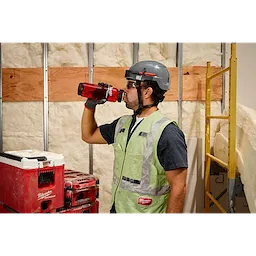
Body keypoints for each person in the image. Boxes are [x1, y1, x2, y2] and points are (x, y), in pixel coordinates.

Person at [81, 60, 188, 216]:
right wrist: (90, 105)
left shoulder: (167, 133)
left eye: (130, 85)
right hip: (119, 210)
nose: (125, 90)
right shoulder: (122, 124)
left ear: (147, 92)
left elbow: (179, 188)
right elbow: (88, 136)